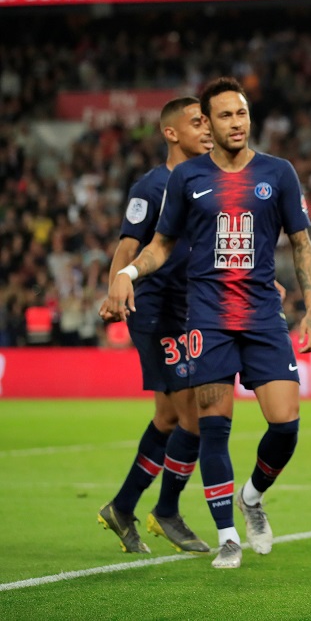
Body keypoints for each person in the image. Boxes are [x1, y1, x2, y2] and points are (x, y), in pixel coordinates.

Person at [106, 77, 311, 570]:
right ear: (208, 121)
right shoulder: (185, 178)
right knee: (210, 426)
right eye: (225, 115)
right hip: (206, 318)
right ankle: (226, 536)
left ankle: (252, 496)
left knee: (285, 424)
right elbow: (160, 244)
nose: (236, 123)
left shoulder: (278, 172)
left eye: (241, 113)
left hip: (263, 315)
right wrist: (127, 273)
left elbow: (301, 243)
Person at [96, 97, 214, 555]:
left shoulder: (206, 182)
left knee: (167, 418)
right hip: (158, 309)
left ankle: (122, 507)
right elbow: (128, 247)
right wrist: (115, 290)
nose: (207, 129)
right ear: (171, 133)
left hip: (191, 309)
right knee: (196, 417)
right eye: (197, 122)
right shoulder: (152, 186)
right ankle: (166, 511)